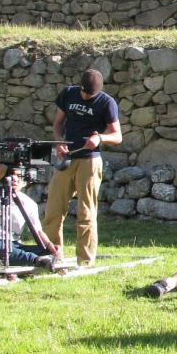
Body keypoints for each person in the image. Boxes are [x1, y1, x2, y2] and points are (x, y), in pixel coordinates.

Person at [41, 68, 122, 268]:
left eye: (90, 94)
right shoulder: (68, 93)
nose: (86, 96)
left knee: (86, 213)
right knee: (53, 210)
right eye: (84, 92)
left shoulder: (106, 102)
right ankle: (52, 256)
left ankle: (85, 261)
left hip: (89, 161)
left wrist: (100, 138)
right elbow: (58, 123)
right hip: (66, 158)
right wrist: (59, 141)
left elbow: (117, 136)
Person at [0, 163, 59, 270]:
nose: (14, 179)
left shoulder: (29, 203)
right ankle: (36, 260)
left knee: (48, 251)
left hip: (13, 244)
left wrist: (49, 245)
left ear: (25, 182)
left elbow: (38, 230)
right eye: (11, 175)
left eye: (18, 176)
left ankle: (6, 258)